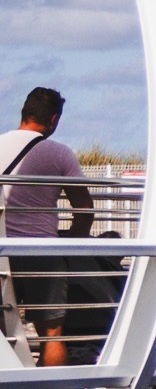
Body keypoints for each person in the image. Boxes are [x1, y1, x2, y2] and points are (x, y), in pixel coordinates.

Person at [0, 86, 95, 368]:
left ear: (24, 112)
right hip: (43, 253)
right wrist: (71, 244)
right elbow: (84, 209)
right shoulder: (59, 153)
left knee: (3, 335)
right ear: (54, 119)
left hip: (2, 253)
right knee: (52, 335)